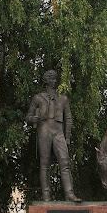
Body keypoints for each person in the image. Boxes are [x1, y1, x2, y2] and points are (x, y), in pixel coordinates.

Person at [26, 70, 81, 202]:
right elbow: (28, 117)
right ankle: (46, 196)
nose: (54, 80)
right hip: (44, 130)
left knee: (65, 161)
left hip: (58, 131)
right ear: (46, 80)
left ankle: (69, 194)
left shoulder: (63, 99)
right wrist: (33, 118)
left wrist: (67, 137)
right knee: (44, 163)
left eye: (55, 78)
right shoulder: (38, 98)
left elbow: (68, 118)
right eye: (51, 78)